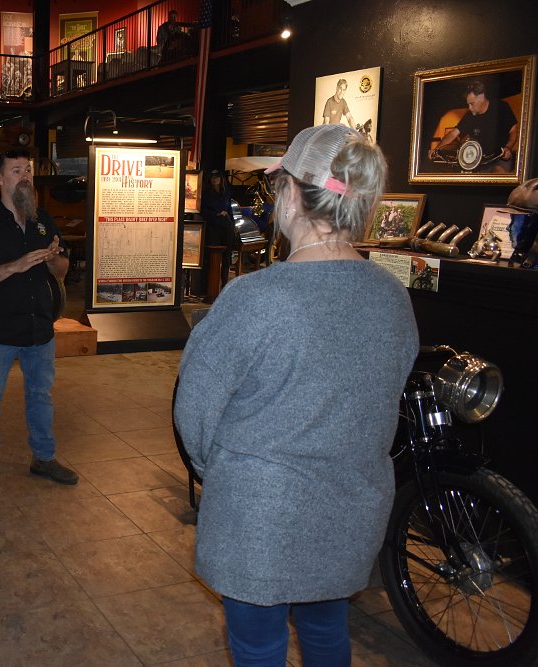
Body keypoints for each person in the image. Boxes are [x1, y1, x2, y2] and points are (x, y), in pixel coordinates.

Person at [174, 124, 419, 666]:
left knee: (258, 646)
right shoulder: (391, 296)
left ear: (290, 194)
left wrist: (223, 472)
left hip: (260, 513)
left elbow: (193, 411)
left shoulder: (255, 297)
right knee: (328, 630)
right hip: (351, 509)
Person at [0, 148, 77, 498]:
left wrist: (54, 260)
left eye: (28, 170)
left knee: (41, 397)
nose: (25, 176)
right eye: (16, 171)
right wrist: (16, 265)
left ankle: (43, 458)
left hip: (40, 329)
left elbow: (62, 271)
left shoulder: (44, 221)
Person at [431, 79, 519, 173]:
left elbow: (513, 131)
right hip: (478, 160)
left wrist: (508, 148)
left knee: (496, 174)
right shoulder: (469, 115)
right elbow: (453, 134)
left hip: (499, 158)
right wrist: (436, 150)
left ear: (481, 97)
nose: (469, 108)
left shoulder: (502, 107)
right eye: (468, 104)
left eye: (472, 104)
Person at [200, 168, 241, 288]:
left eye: (217, 177)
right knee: (213, 256)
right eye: (213, 178)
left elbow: (229, 210)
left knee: (227, 256)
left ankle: (224, 284)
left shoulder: (226, 192)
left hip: (226, 225)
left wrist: (233, 225)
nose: (215, 180)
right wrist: (216, 214)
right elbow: (203, 210)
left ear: (221, 179)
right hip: (213, 226)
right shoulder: (206, 193)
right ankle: (212, 286)